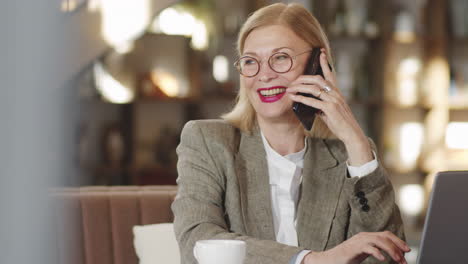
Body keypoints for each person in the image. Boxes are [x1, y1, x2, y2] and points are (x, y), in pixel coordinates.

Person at [172, 3, 408, 264]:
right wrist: (311, 260)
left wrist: (355, 139)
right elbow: (199, 242)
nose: (264, 75)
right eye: (251, 61)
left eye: (281, 58)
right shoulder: (209, 141)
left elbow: (386, 256)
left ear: (316, 65)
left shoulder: (350, 156)